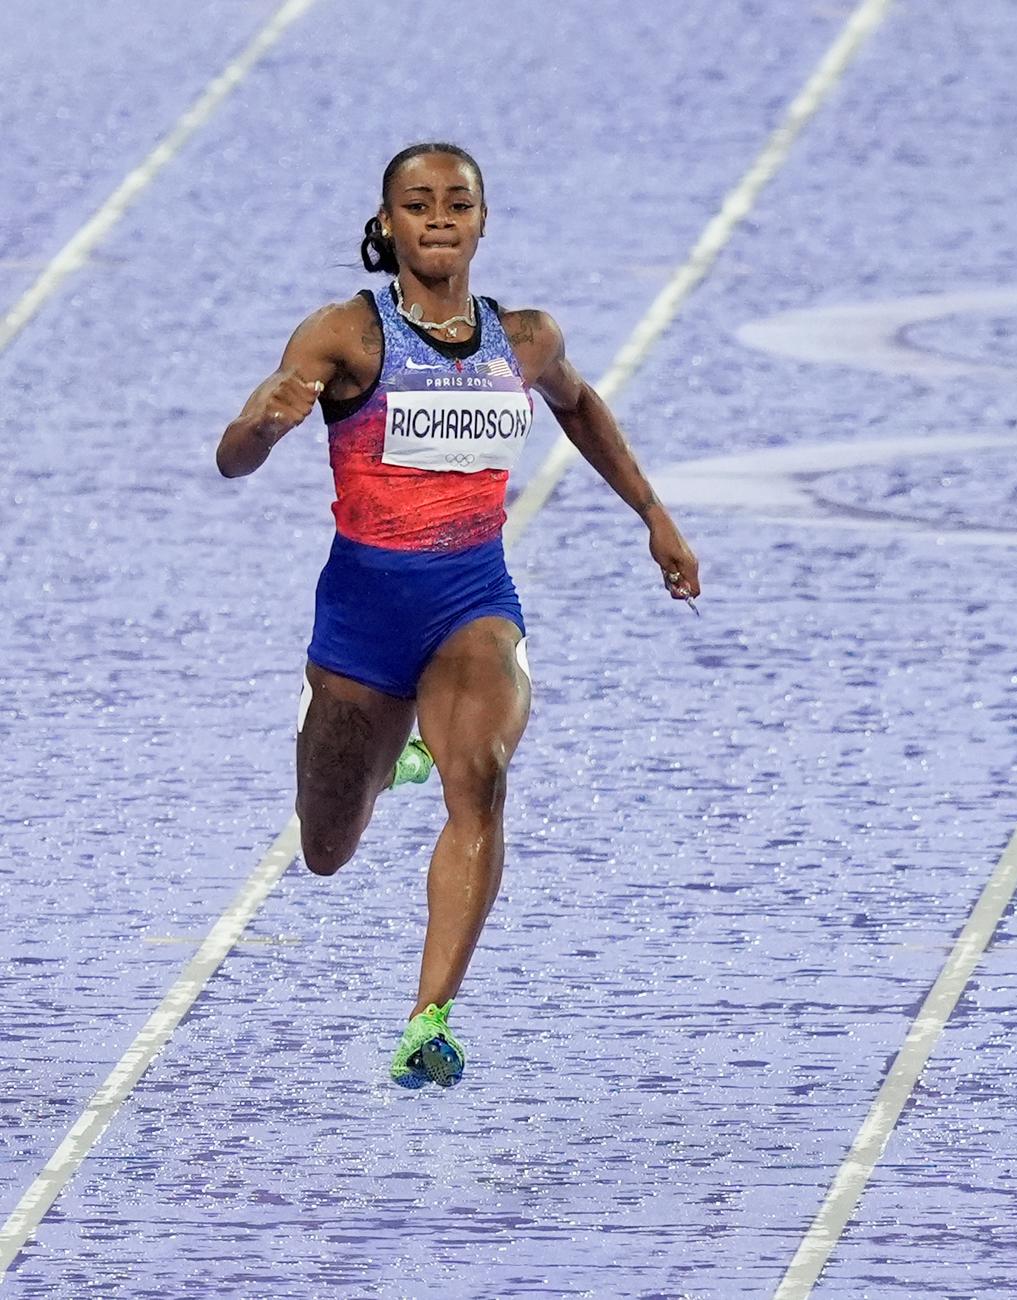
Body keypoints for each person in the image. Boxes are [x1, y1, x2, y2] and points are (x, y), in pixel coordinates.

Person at [216, 142, 700, 1088]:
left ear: (482, 220)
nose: (439, 217)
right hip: (361, 614)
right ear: (387, 223)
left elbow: (581, 406)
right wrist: (261, 428)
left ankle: (428, 1019)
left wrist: (653, 515)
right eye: (418, 203)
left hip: (473, 599)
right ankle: (383, 745)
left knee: (479, 775)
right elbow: (234, 458)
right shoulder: (342, 338)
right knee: (324, 849)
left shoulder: (523, 339)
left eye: (457, 202)